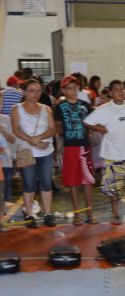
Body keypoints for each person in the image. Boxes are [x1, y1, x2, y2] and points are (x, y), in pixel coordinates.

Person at [83, 79, 125, 224]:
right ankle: (115, 214)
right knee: (113, 186)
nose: (121, 91)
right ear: (111, 92)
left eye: (122, 89)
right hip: (113, 153)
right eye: (117, 89)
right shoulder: (105, 109)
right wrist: (102, 129)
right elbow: (87, 122)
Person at [11, 79, 57, 228]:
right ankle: (29, 214)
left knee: (46, 183)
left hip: (45, 151)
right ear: (24, 92)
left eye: (38, 91)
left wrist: (39, 138)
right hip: (26, 151)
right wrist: (33, 140)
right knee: (29, 184)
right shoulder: (17, 109)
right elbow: (16, 129)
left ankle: (48, 213)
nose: (35, 94)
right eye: (31, 90)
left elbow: (52, 129)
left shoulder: (46, 109)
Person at [54, 75, 96, 225]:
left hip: (84, 147)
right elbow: (59, 127)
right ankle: (78, 214)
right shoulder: (60, 107)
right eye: (69, 88)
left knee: (88, 180)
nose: (73, 91)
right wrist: (62, 142)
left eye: (75, 87)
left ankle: (90, 214)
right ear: (63, 90)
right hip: (70, 147)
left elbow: (91, 124)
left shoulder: (85, 105)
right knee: (73, 182)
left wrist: (91, 134)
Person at [0, 96, 16, 207]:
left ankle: (6, 199)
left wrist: (4, 132)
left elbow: (13, 139)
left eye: (0, 102)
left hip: (5, 158)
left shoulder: (6, 119)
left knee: (7, 179)